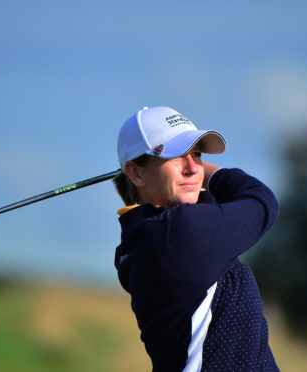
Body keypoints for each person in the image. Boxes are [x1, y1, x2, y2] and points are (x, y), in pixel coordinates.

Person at [113, 106, 280, 371]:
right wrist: (210, 173)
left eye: (197, 154)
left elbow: (205, 206)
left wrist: (191, 175)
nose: (192, 167)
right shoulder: (178, 234)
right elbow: (261, 202)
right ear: (135, 173)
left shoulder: (145, 237)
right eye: (176, 156)